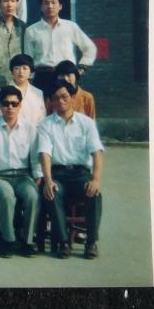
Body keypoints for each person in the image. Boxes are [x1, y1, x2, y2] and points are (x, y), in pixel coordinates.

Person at [38, 79, 104, 259]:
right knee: (51, 192)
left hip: (80, 174)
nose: (60, 101)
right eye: (56, 98)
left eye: (64, 96)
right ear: (51, 101)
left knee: (94, 193)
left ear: (72, 98)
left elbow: (97, 153)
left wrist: (95, 179)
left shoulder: (86, 123)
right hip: (58, 174)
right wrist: (48, 180)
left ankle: (91, 242)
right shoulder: (46, 124)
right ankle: (63, 242)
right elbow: (45, 154)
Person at [0, 86, 41, 257]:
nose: (10, 107)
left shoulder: (30, 128)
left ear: (20, 105)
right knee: (7, 197)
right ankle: (8, 240)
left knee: (32, 196)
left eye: (14, 104)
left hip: (23, 176)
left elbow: (35, 158)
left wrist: (37, 179)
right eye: (6, 103)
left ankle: (28, 240)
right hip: (0, 177)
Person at [24, 0, 98, 93]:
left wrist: (81, 69)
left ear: (60, 6)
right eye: (46, 3)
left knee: (66, 103)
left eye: (53, 2)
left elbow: (90, 48)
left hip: (66, 76)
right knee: (43, 104)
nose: (50, 6)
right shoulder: (31, 30)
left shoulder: (70, 26)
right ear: (41, 6)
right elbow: (28, 58)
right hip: (42, 77)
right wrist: (30, 79)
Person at [9, 54, 47, 126]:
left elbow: (42, 116)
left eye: (25, 68)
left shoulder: (38, 93)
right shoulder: (4, 92)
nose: (21, 72)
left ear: (30, 72)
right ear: (12, 71)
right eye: (17, 68)